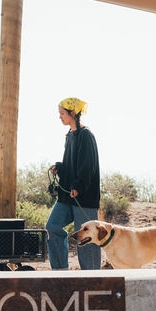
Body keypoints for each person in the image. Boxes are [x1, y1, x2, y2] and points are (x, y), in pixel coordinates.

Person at [45, 97, 101, 270]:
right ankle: (60, 271)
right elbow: (72, 164)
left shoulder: (86, 136)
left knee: (86, 237)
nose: (60, 117)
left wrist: (78, 186)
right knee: (52, 226)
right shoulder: (69, 136)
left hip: (83, 196)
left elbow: (88, 166)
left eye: (62, 113)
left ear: (73, 113)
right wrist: (60, 168)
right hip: (67, 195)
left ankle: (92, 276)